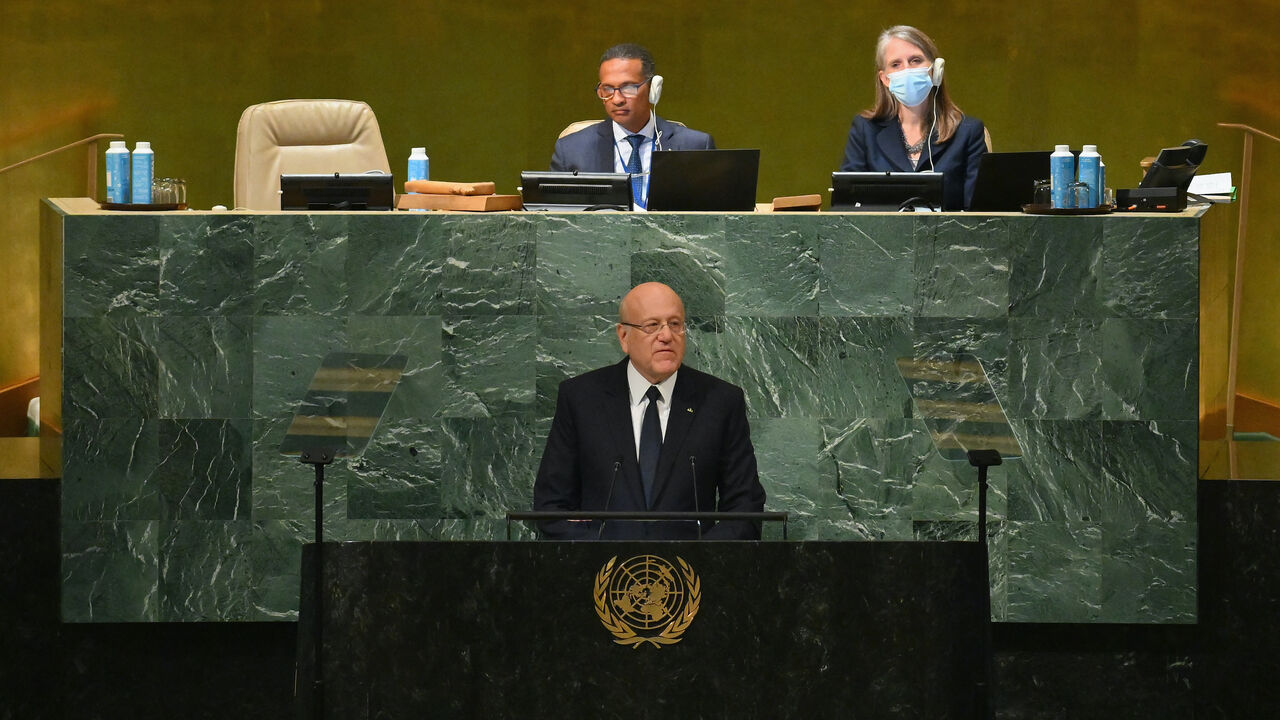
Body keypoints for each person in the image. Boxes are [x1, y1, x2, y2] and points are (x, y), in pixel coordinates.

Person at [533, 282, 766, 540]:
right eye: (652, 325)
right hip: (602, 574)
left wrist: (700, 558)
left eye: (675, 324)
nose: (666, 335)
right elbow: (551, 508)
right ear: (624, 337)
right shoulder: (581, 398)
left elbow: (746, 509)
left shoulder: (720, 401)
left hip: (693, 576)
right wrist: (603, 555)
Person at [839, 25, 987, 211]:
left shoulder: (968, 132)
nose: (906, 70)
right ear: (885, 79)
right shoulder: (864, 129)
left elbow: (980, 214)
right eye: (896, 64)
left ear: (935, 71)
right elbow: (846, 209)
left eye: (915, 60)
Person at [550, 43, 716, 209]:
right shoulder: (572, 150)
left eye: (628, 88)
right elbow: (553, 219)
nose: (617, 99)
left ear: (653, 89)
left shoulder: (695, 146)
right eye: (607, 89)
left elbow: (713, 217)